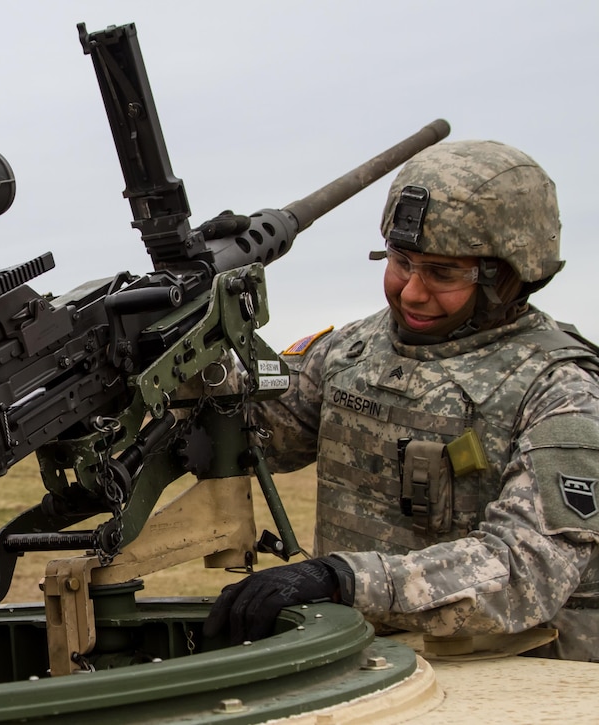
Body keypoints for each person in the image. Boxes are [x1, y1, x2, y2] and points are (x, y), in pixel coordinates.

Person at [202, 139, 599, 662]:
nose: (410, 291)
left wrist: (342, 580)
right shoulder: (348, 352)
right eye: (400, 260)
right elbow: (260, 439)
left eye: (442, 273)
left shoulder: (564, 392)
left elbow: (525, 570)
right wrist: (187, 360)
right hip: (369, 660)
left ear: (509, 275)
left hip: (519, 675)